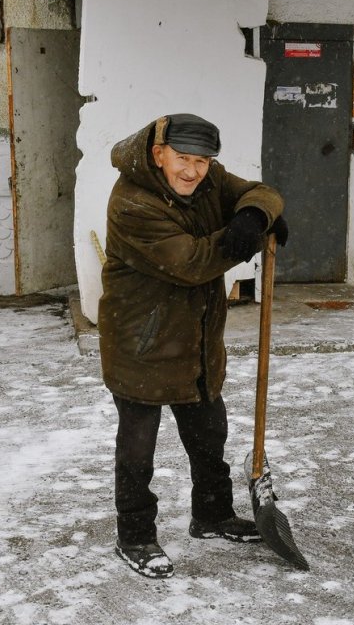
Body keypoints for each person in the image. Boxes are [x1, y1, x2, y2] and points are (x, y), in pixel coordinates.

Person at [98, 113, 288, 579]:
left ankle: (212, 515)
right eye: (183, 159)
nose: (193, 171)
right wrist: (241, 238)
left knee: (209, 436)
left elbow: (262, 192)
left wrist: (255, 214)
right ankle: (136, 534)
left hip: (197, 341)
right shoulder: (132, 203)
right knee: (138, 449)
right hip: (140, 343)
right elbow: (192, 262)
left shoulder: (209, 180)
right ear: (158, 153)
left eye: (202, 161)